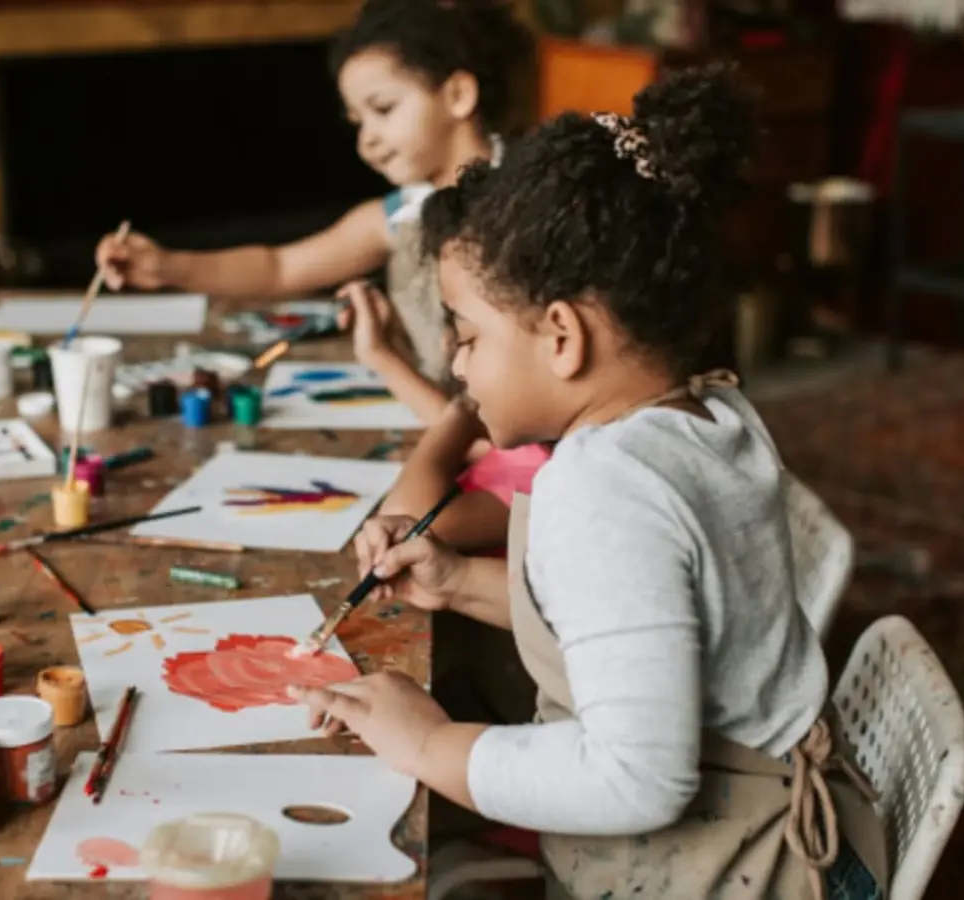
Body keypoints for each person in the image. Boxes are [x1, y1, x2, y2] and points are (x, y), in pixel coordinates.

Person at [288, 64, 887, 900]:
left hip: (731, 873)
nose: (459, 367)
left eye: (466, 337)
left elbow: (636, 780)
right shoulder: (710, 412)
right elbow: (649, 627)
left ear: (562, 337)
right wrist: (458, 582)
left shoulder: (602, 488)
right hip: (787, 838)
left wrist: (428, 744)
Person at [95, 0, 533, 424]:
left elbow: (492, 430)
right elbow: (279, 268)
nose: (368, 140)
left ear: (458, 94)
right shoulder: (402, 213)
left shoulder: (522, 212)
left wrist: (381, 356)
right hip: (433, 424)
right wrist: (167, 266)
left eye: (383, 109)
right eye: (358, 121)